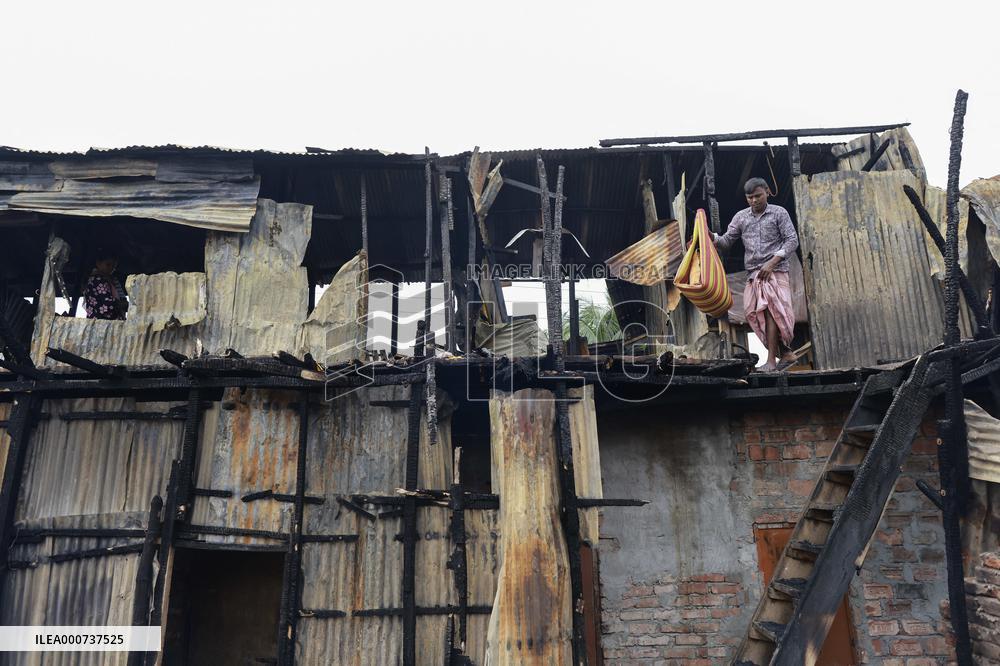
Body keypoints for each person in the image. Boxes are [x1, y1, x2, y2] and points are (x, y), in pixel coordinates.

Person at [713, 178, 799, 371]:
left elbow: (792, 240)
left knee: (772, 312)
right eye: (749, 197)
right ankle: (786, 353)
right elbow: (727, 241)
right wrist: (710, 237)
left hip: (775, 271)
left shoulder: (779, 213)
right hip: (754, 275)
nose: (754, 201)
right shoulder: (741, 217)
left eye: (757, 196)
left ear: (767, 192)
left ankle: (770, 361)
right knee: (754, 313)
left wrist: (773, 261)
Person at [82, 249, 129, 320]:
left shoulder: (111, 280)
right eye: (108, 264)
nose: (111, 268)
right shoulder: (96, 280)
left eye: (114, 266)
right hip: (102, 322)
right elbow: (107, 303)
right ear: (98, 263)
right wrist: (123, 305)